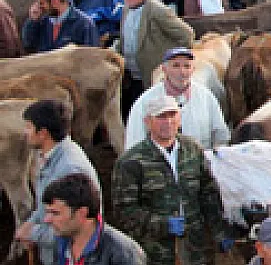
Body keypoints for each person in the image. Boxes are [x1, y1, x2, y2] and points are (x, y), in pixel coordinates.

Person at [111, 94, 229, 265]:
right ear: (147, 121)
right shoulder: (131, 162)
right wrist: (163, 225)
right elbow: (124, 212)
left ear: (180, 118)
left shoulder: (193, 150)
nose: (168, 121)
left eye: (172, 115)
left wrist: (220, 232)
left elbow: (209, 194)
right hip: (155, 253)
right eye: (161, 116)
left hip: (196, 251)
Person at [16, 100, 101, 265]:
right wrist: (30, 224)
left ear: (43, 133)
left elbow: (74, 228)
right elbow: (46, 208)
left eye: (28, 127)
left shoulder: (68, 168)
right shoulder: (53, 157)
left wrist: (33, 233)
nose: (24, 132)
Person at [124, 47, 229, 150]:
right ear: (164, 69)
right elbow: (134, 143)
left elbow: (221, 133)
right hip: (160, 166)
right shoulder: (146, 101)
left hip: (200, 163)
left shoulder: (206, 96)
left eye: (187, 66)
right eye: (176, 66)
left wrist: (216, 157)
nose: (182, 72)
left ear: (193, 70)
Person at [41, 173, 146, 265]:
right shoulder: (62, 242)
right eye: (48, 212)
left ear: (82, 213)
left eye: (55, 213)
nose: (47, 219)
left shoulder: (123, 253)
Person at [22, 0, 99, 53]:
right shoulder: (41, 21)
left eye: (41, 3)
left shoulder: (84, 24)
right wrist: (32, 21)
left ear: (55, 2)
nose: (39, 7)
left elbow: (91, 57)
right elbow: (28, 46)